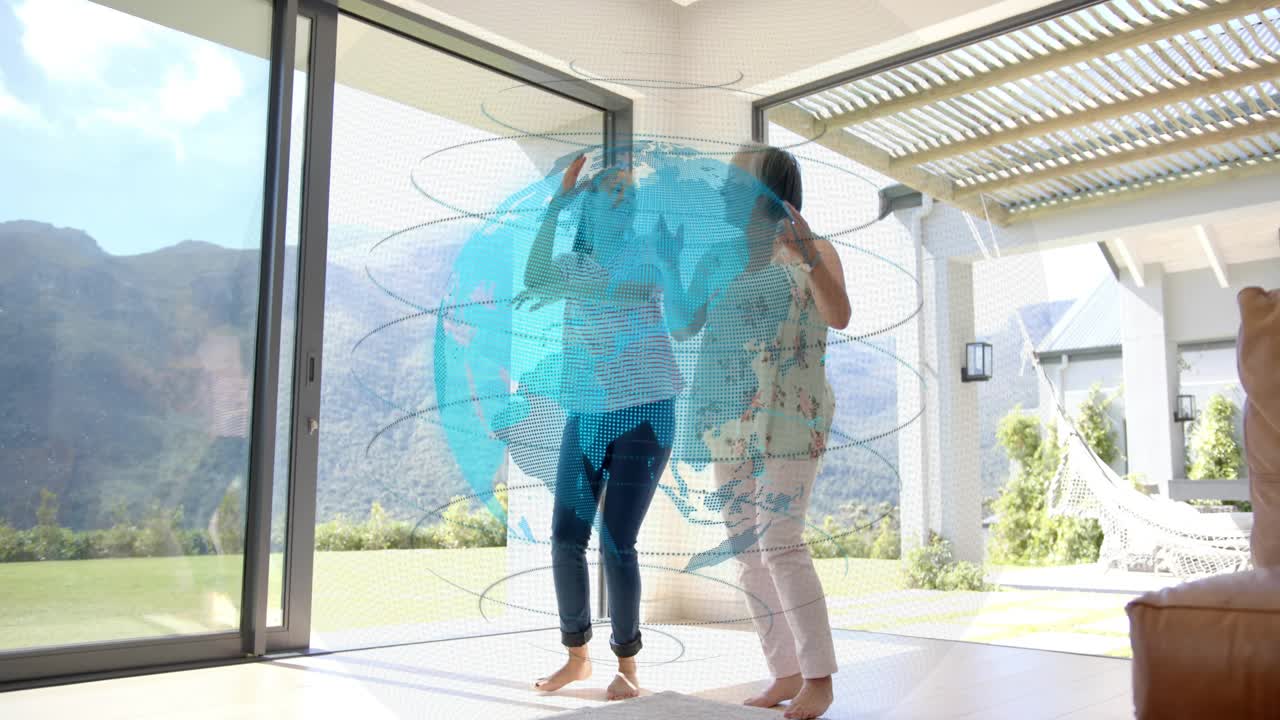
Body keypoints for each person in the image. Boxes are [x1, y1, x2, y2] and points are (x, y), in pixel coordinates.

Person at [654, 146, 849, 720]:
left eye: (733, 179)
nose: (721, 188)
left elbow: (838, 315)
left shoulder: (817, 250)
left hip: (793, 414)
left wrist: (809, 254)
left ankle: (820, 678)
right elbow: (683, 323)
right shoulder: (720, 257)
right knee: (747, 549)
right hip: (728, 417)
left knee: (779, 541)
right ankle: (785, 672)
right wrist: (669, 264)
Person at [518, 154, 682, 701]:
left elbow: (631, 294)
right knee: (566, 536)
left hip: (647, 410)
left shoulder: (649, 253)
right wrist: (556, 206)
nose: (625, 201)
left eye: (629, 196)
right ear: (589, 208)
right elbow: (534, 276)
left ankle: (628, 665)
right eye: (612, 192)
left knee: (618, 541)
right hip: (588, 412)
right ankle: (576, 656)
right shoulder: (569, 264)